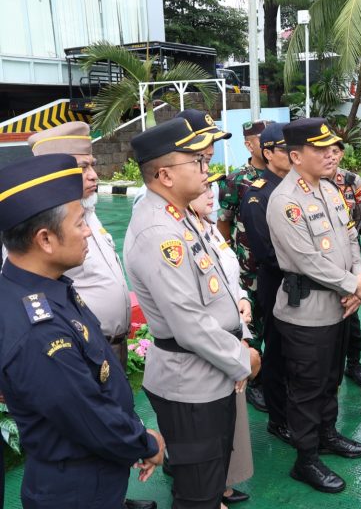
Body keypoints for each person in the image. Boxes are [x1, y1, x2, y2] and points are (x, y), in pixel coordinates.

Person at [0, 154, 166, 508]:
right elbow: (89, 416)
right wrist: (147, 444)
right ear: (45, 239)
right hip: (77, 489)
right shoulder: (38, 332)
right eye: (79, 224)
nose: (88, 230)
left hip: (92, 475)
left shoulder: (44, 286)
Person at [125, 118, 260, 509]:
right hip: (191, 383)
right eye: (198, 162)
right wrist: (242, 358)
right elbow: (189, 324)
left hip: (207, 375)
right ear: (165, 174)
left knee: (210, 478)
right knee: (198, 494)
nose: (208, 169)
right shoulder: (160, 233)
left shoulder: (180, 214)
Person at [266, 118, 361, 493]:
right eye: (321, 149)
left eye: (333, 148)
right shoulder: (285, 201)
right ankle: (305, 458)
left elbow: (350, 237)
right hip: (307, 312)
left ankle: (327, 434)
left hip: (340, 305)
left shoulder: (329, 189)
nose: (332, 154)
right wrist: (354, 285)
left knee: (329, 379)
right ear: (295, 156)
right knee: (307, 388)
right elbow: (308, 259)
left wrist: (357, 279)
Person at [28, 122, 134, 370]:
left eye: (92, 165)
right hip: (75, 354)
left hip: (113, 348)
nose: (93, 175)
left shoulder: (88, 211)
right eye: (81, 167)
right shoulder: (38, 228)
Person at [188, 172, 254, 507]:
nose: (211, 196)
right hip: (212, 344)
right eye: (203, 191)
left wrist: (242, 299)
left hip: (233, 332)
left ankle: (222, 484)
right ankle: (209, 493)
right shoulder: (184, 236)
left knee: (229, 418)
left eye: (212, 189)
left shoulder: (211, 229)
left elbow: (229, 277)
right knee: (206, 425)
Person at [239, 122, 292, 446]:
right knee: (278, 351)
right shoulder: (260, 194)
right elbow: (266, 252)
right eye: (285, 149)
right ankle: (279, 418)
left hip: (302, 285)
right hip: (278, 285)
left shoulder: (299, 187)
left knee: (297, 354)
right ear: (268, 152)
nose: (293, 154)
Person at [218, 119, 272, 412]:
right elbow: (224, 223)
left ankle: (273, 375)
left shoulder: (284, 174)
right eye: (263, 140)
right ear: (250, 144)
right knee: (253, 327)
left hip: (276, 266)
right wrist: (231, 260)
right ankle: (256, 382)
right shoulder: (236, 179)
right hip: (247, 270)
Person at [327, 142, 361, 389]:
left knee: (352, 316)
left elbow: (358, 218)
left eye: (335, 151)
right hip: (323, 262)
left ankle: (353, 364)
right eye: (326, 151)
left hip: (349, 254)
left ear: (342, 153)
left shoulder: (352, 181)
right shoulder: (307, 183)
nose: (331, 156)